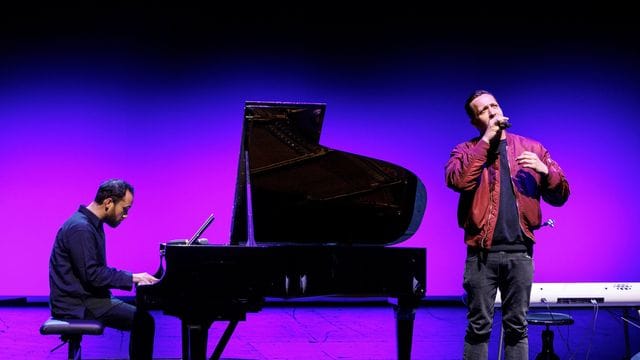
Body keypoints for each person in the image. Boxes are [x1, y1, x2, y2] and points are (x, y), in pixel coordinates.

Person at [445, 90, 570, 359]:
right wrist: (486, 140)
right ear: (475, 121)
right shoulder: (465, 150)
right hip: (481, 255)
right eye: (483, 110)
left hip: (520, 254)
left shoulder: (533, 149)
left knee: (517, 328)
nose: (491, 111)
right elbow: (459, 181)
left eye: (494, 105)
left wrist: (546, 172)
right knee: (478, 328)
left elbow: (561, 196)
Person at [48, 178, 158, 359]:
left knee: (142, 313)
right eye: (125, 209)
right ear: (108, 203)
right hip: (77, 305)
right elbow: (93, 275)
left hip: (85, 298)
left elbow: (93, 273)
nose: (126, 215)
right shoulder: (81, 228)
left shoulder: (90, 224)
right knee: (144, 321)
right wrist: (133, 277)